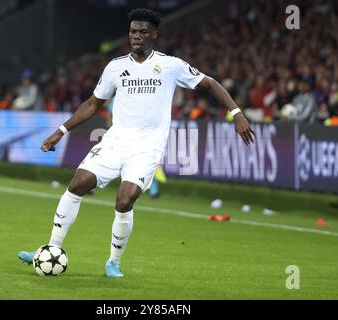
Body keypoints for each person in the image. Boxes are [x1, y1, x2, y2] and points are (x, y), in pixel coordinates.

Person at [18, 8, 255, 278]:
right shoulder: (116, 67)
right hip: (115, 142)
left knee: (125, 199)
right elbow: (93, 103)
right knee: (78, 183)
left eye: (143, 32)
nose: (137, 36)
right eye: (133, 32)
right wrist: (60, 131)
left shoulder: (170, 65)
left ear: (154, 34)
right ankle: (51, 249)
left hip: (147, 147)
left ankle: (113, 262)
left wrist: (236, 113)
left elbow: (210, 83)